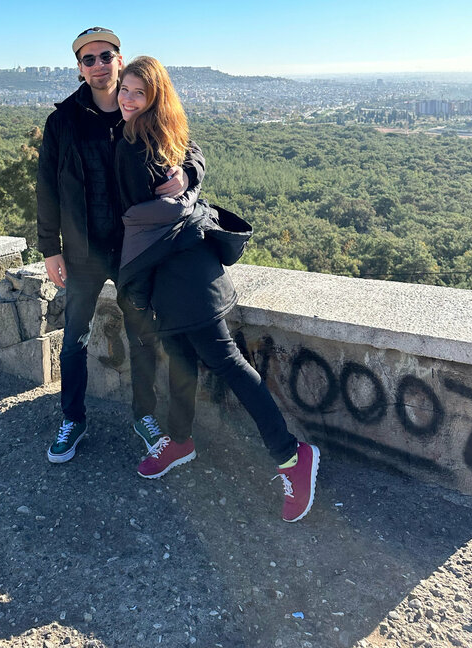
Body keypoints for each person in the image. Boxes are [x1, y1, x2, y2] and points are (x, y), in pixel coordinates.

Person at [115, 56, 319, 522]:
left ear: (155, 98)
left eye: (138, 92)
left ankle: (292, 456)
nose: (128, 98)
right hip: (182, 272)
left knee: (226, 362)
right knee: (181, 361)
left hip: (180, 278)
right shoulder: (153, 133)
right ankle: (180, 441)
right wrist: (189, 182)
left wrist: (186, 181)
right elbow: (187, 166)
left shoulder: (140, 145)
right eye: (125, 89)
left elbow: (145, 223)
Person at [36, 28, 205, 464]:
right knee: (74, 339)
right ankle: (72, 418)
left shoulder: (141, 110)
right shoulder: (63, 121)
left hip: (136, 251)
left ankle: (143, 416)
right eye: (88, 59)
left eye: (105, 56)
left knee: (142, 337)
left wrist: (187, 174)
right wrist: (49, 248)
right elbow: (47, 188)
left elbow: (189, 149)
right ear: (79, 68)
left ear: (119, 59)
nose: (98, 65)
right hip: (83, 250)